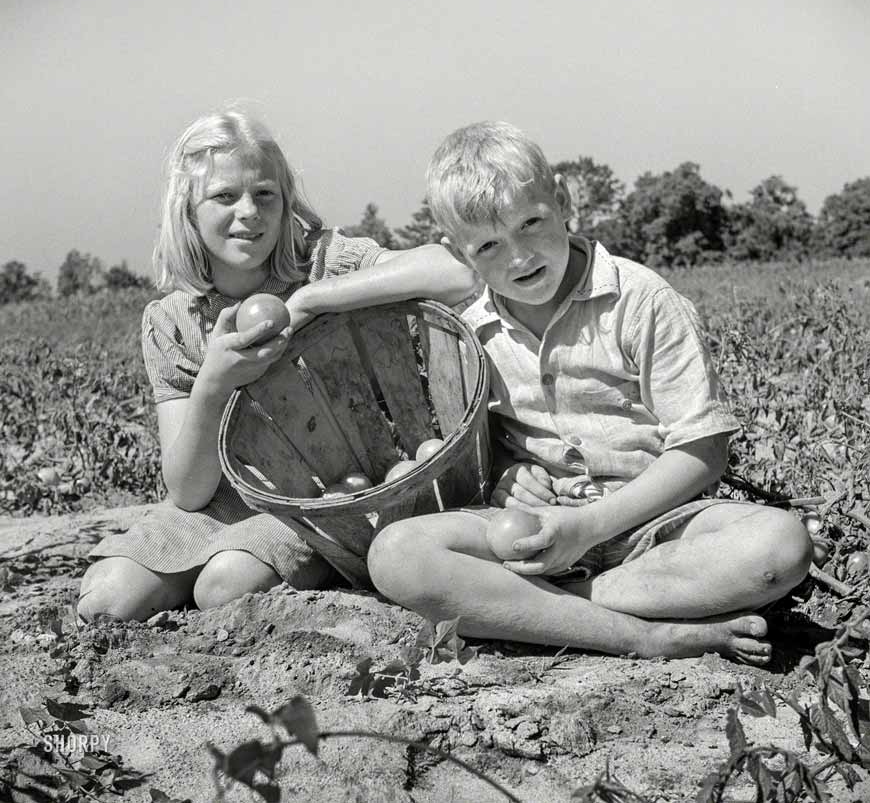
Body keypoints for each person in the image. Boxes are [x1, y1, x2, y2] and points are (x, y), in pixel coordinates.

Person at [367, 121, 813, 664]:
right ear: (459, 255)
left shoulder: (641, 299)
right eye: (488, 245)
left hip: (655, 527)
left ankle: (553, 609)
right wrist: (511, 474)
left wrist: (589, 527)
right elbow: (490, 450)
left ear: (563, 200)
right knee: (395, 554)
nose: (519, 257)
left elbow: (703, 451)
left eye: (531, 223)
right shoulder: (468, 333)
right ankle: (645, 635)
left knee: (780, 546)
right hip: (536, 534)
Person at [78, 110, 476, 623]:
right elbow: (188, 490)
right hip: (227, 502)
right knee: (109, 597)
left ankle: (327, 561)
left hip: (331, 498)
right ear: (187, 210)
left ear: (287, 201)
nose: (249, 212)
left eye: (265, 194)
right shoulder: (171, 321)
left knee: (225, 585)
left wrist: (313, 299)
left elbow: (454, 271)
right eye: (224, 197)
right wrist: (214, 382)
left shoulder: (328, 261)